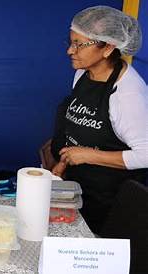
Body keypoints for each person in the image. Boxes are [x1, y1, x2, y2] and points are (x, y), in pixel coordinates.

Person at [51, 6, 148, 233]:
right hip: (78, 189)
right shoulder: (82, 74)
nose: (70, 51)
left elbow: (145, 155)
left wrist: (88, 154)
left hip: (109, 200)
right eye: (71, 42)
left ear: (108, 48)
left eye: (79, 44)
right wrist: (62, 164)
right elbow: (76, 128)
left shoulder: (128, 94)